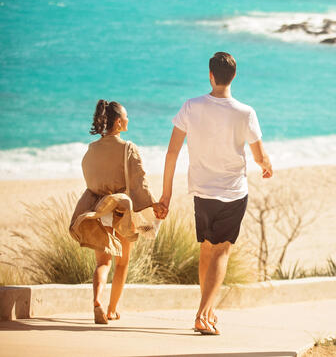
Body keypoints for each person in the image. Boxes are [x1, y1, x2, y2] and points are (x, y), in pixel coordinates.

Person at [157, 52, 272, 335]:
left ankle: (207, 310)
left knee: (207, 248)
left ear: (210, 75)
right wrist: (266, 166)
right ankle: (201, 313)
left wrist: (166, 195)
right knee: (222, 250)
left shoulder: (191, 106)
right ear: (234, 77)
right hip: (233, 193)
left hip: (202, 192)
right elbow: (259, 154)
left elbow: (172, 152)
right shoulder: (245, 112)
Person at [69, 100, 166, 324]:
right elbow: (140, 182)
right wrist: (153, 204)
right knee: (122, 263)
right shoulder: (128, 148)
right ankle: (112, 310)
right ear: (120, 122)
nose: (128, 120)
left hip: (99, 209)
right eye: (126, 117)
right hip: (121, 210)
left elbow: (90, 178)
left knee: (103, 263)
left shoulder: (92, 148)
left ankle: (97, 301)